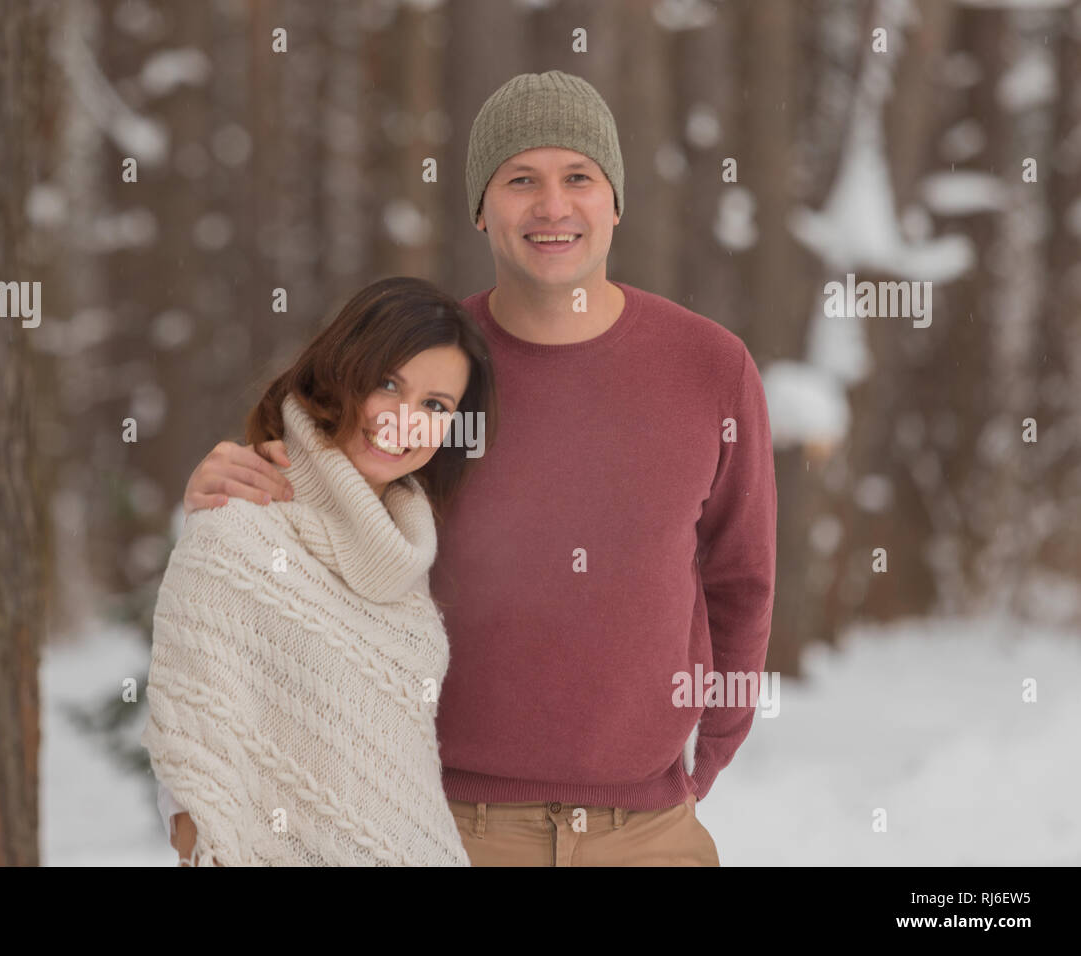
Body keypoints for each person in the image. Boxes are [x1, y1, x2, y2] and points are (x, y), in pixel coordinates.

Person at [182, 70, 777, 866]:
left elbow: (740, 576)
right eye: (520, 180)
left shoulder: (710, 367)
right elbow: (307, 523)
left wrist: (717, 742)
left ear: (616, 201)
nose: (553, 207)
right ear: (479, 206)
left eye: (579, 179)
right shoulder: (425, 365)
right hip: (447, 827)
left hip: (650, 834)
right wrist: (222, 496)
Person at [142, 275, 497, 866]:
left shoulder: (408, 554)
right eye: (388, 384)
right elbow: (191, 789)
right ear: (342, 369)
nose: (404, 421)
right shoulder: (235, 529)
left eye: (435, 406)